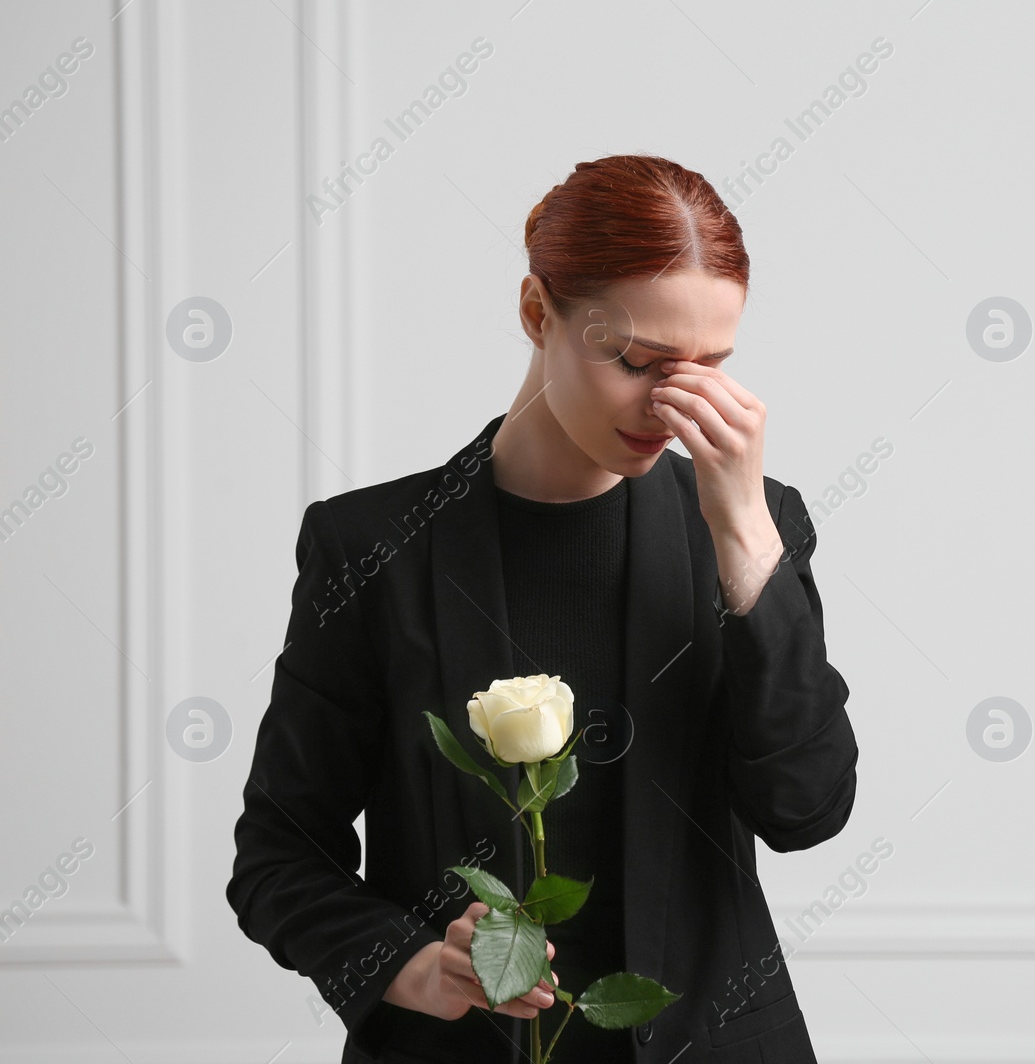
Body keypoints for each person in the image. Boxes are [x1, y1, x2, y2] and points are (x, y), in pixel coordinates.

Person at [227, 154, 859, 1063]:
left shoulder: (757, 527)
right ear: (536, 312)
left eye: (712, 366)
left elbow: (807, 807)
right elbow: (278, 853)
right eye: (637, 360)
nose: (675, 405)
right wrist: (408, 964)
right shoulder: (371, 545)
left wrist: (748, 546)